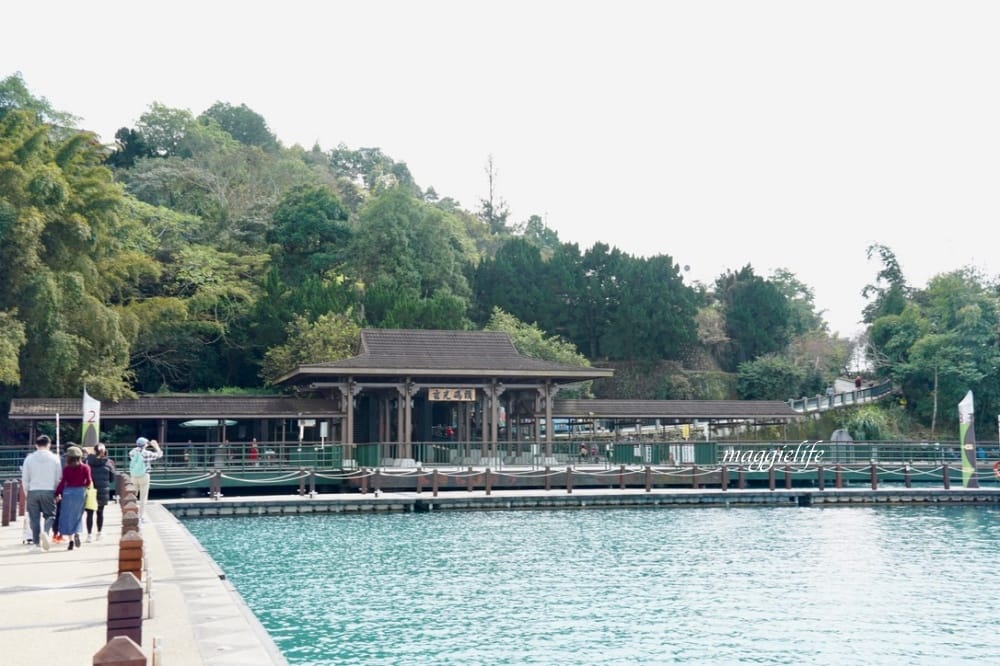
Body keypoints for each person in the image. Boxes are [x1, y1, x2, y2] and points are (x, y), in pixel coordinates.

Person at [21, 435, 62, 552]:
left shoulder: (29, 459)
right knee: (50, 515)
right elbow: (58, 477)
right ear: (49, 445)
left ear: (36, 445)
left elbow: (25, 478)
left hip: (33, 490)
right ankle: (46, 532)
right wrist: (56, 491)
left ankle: (36, 544)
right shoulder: (55, 459)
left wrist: (27, 492)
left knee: (34, 519)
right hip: (49, 490)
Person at [55, 445, 92, 551]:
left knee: (67, 516)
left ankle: (70, 540)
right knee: (77, 515)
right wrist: (84, 487)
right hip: (80, 492)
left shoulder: (66, 469)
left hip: (68, 492)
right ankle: (77, 533)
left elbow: (63, 482)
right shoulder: (85, 467)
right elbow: (89, 481)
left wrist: (57, 493)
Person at [85, 443, 116, 542]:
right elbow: (112, 479)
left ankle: (89, 535)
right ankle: (99, 533)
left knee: (89, 513)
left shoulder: (88, 461)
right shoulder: (109, 462)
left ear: (94, 451)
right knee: (100, 513)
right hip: (103, 490)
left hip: (90, 490)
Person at [129, 437, 163, 520]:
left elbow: (134, 453)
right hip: (144, 475)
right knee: (143, 497)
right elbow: (159, 455)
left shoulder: (132, 452)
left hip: (134, 475)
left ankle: (132, 513)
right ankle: (140, 516)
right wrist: (156, 446)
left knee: (133, 495)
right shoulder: (147, 453)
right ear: (145, 445)